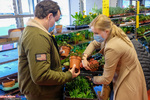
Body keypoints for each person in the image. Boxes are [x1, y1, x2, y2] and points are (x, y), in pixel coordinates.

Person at [18, 0, 80, 100]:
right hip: (42, 94)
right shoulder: (37, 36)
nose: (55, 24)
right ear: (49, 16)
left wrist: (55, 55)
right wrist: (68, 75)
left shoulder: (33, 31)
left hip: (42, 92)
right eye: (55, 20)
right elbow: (41, 75)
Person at [82, 14, 148, 100]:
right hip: (130, 71)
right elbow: (94, 43)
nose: (94, 36)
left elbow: (106, 79)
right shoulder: (113, 32)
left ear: (106, 31)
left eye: (96, 33)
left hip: (127, 79)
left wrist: (92, 79)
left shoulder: (112, 46)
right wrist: (84, 57)